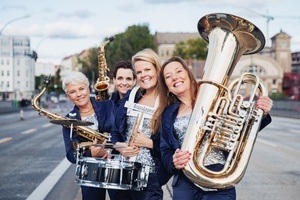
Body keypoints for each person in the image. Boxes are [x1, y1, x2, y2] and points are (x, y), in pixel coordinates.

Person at [153, 56, 273, 200]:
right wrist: (173, 161)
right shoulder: (167, 114)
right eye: (168, 76)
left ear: (188, 74)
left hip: (217, 177)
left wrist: (261, 113)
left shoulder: (216, 100)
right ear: (166, 86)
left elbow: (240, 130)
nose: (174, 77)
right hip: (185, 182)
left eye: (179, 71)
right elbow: (165, 150)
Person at [111, 48, 168, 200]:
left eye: (147, 69)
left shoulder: (169, 101)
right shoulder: (132, 95)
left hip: (150, 178)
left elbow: (175, 141)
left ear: (157, 69)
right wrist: (119, 146)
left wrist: (150, 143)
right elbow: (115, 130)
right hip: (123, 171)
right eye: (139, 72)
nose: (144, 75)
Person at [61, 71, 114, 200]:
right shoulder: (68, 121)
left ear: (88, 88)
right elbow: (70, 154)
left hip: (115, 165)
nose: (79, 94)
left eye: (81, 88)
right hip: (90, 172)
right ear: (68, 96)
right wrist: (91, 154)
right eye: (72, 92)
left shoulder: (108, 105)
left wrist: (112, 148)